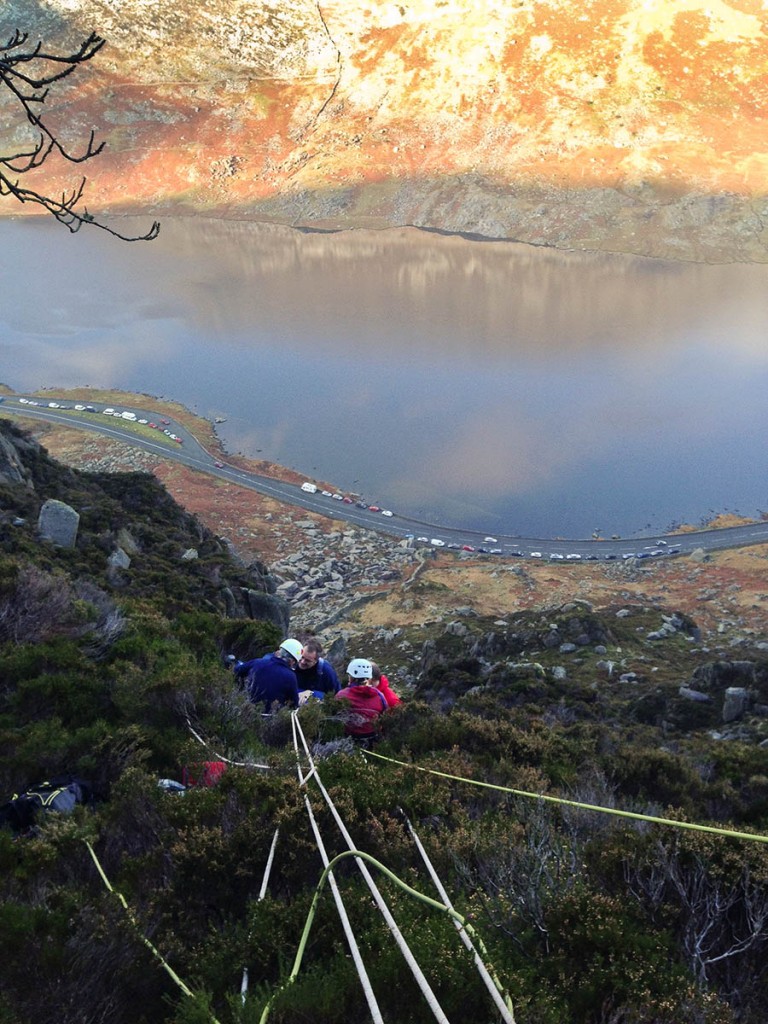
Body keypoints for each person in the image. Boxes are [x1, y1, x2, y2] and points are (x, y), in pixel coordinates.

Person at [233, 638, 303, 710]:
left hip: (245, 711)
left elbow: (236, 671)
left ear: (279, 652)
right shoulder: (291, 676)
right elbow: (294, 704)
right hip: (272, 718)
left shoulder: (257, 662)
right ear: (292, 661)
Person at [334, 658, 388, 743]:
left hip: (349, 739)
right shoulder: (379, 696)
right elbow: (385, 715)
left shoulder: (341, 695)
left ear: (351, 678)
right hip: (373, 738)